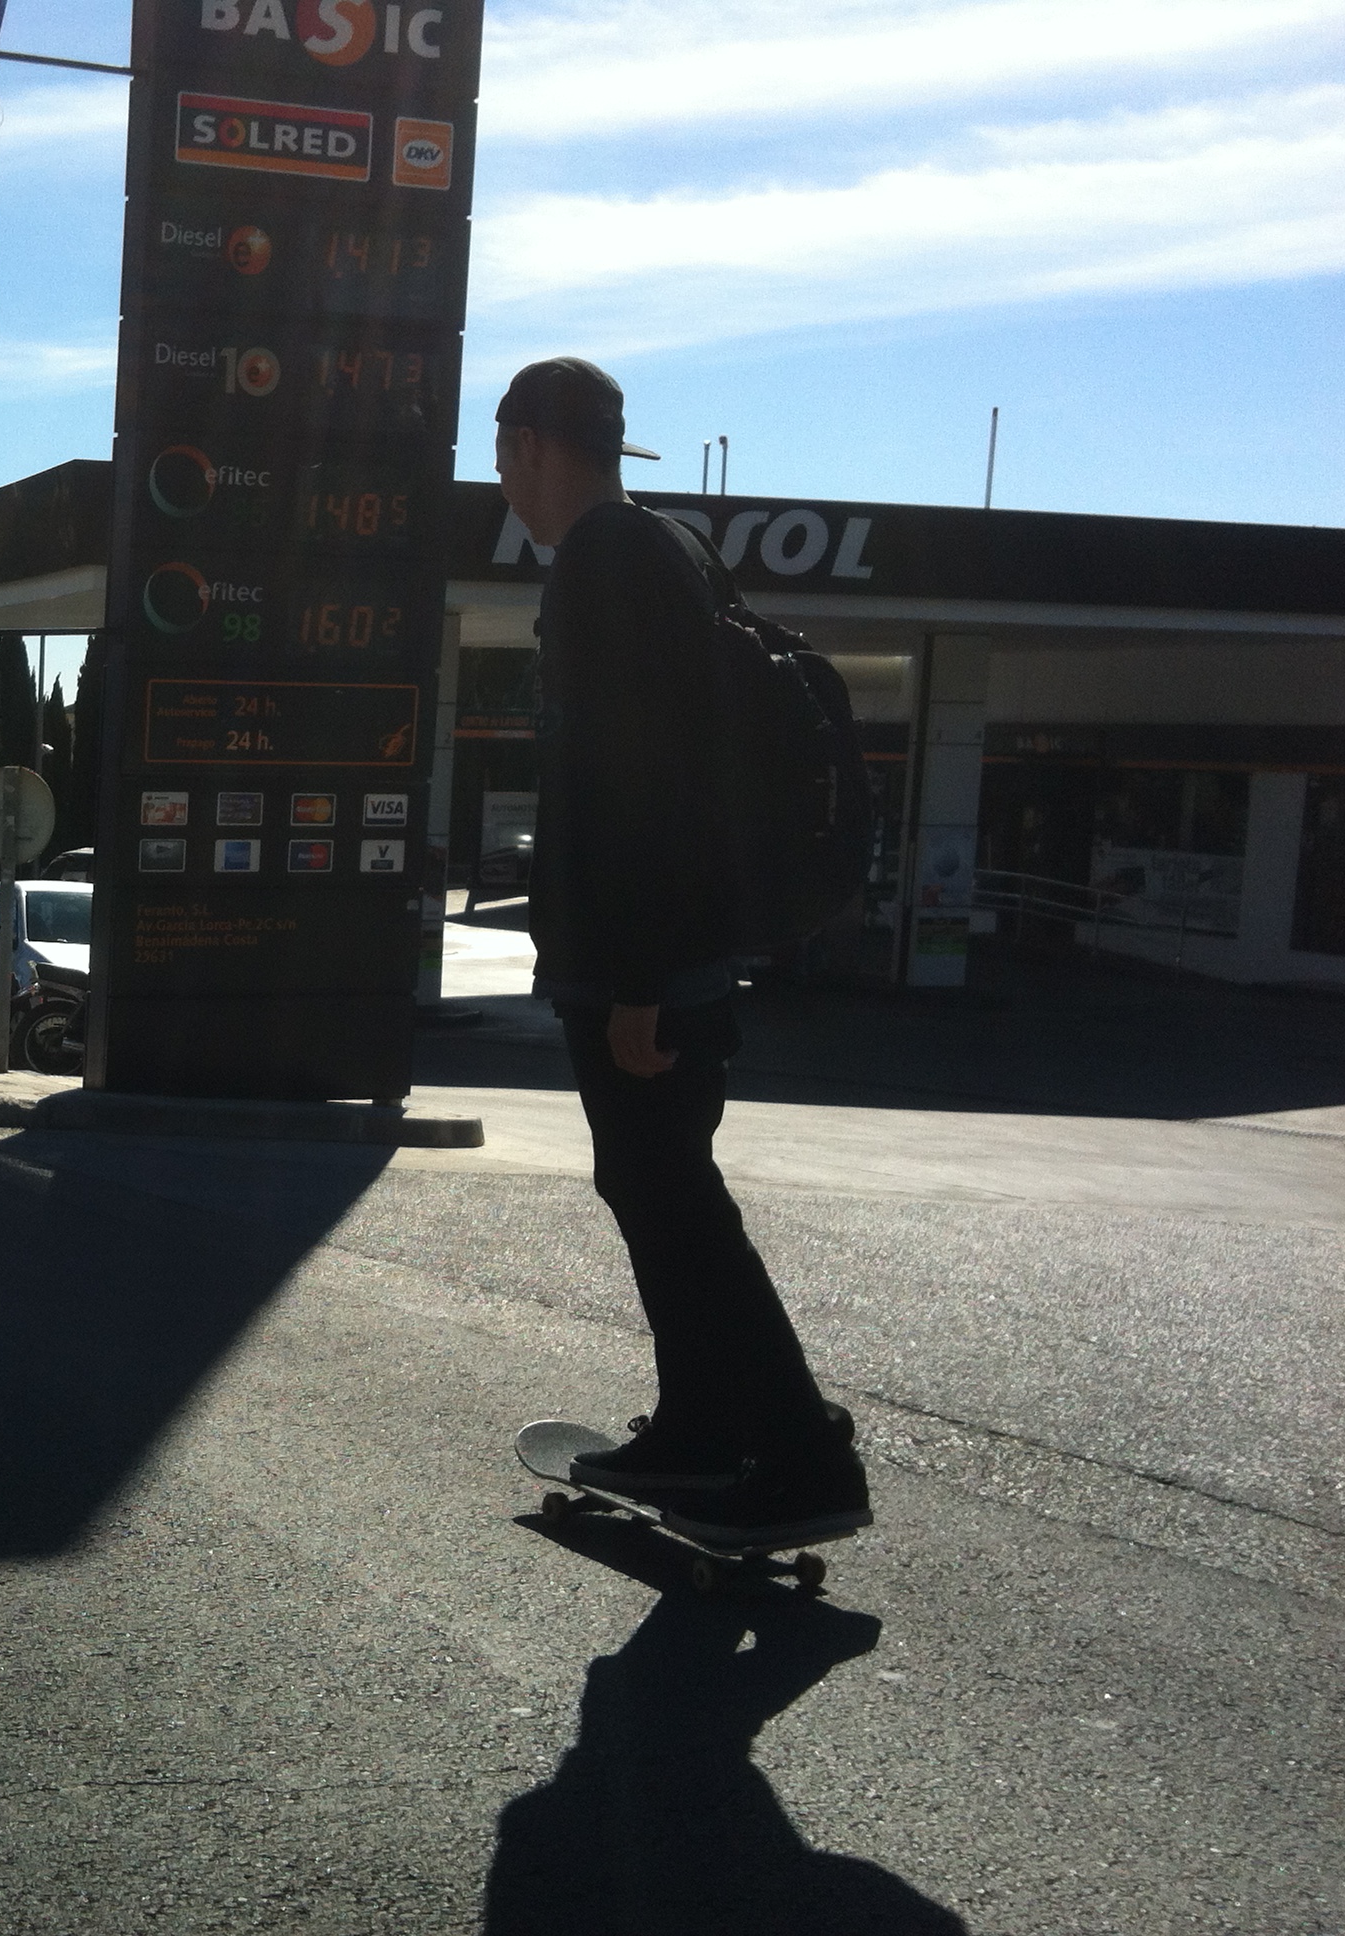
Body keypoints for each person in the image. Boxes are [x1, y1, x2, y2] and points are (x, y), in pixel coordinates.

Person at [495, 355, 868, 1548]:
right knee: (655, 1189)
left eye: (506, 453)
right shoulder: (670, 551)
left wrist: (642, 986)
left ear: (527, 447)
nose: (503, 477)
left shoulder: (607, 567)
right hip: (669, 952)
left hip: (648, 967)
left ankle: (801, 1454)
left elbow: (649, 789)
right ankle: (705, 1428)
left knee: (677, 1200)